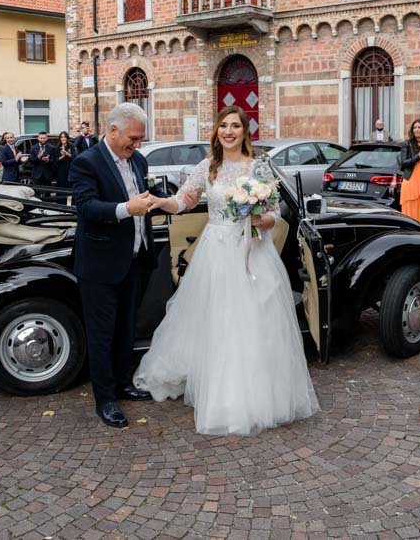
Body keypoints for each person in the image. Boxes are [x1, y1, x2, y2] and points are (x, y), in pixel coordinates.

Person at [134, 106, 319, 436]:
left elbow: (274, 213)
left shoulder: (257, 166)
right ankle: (223, 395)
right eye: (224, 125)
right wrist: (163, 203)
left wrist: (261, 219)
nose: (229, 131)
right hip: (217, 250)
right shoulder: (208, 166)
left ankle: (258, 395)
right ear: (217, 130)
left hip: (253, 252)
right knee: (220, 320)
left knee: (255, 320)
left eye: (235, 126)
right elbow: (184, 200)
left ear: (245, 132)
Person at [69, 103, 179, 429]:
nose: (138, 144)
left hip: (135, 260)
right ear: (113, 130)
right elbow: (87, 207)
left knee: (127, 329)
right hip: (100, 265)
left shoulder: (139, 160)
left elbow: (145, 193)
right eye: (133, 138)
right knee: (101, 335)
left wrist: (160, 196)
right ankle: (105, 400)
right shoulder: (86, 162)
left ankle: (122, 383)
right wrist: (126, 209)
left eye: (141, 138)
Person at [28, 131, 57, 197]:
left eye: (44, 138)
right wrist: (38, 157)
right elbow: (31, 160)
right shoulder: (33, 148)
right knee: (37, 193)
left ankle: (47, 203)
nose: (42, 139)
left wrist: (48, 160)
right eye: (41, 138)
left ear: (47, 138)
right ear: (38, 138)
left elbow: (54, 161)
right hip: (37, 174)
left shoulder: (51, 148)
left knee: (47, 194)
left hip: (47, 174)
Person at [55, 131, 74, 201]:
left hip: (70, 168)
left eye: (65, 137)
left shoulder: (71, 146)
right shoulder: (57, 147)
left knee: (69, 185)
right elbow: (55, 159)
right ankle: (61, 202)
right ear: (60, 138)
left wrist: (67, 153)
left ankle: (70, 202)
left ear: (67, 138)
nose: (63, 138)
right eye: (62, 137)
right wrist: (62, 156)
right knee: (61, 185)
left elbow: (75, 156)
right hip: (61, 169)